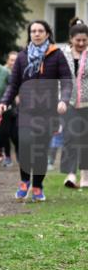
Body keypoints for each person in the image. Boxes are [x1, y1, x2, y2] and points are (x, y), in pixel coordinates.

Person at [0, 20, 72, 202]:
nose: (36, 34)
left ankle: (37, 185)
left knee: (40, 149)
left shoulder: (56, 55)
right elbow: (13, 85)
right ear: (29, 34)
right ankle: (24, 181)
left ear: (47, 33)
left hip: (48, 111)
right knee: (25, 144)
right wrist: (3, 103)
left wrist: (64, 100)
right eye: (33, 31)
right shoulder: (22, 57)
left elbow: (66, 80)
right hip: (27, 110)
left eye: (40, 31)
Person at [60, 19, 88, 188]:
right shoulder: (62, 54)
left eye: (84, 40)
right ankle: (70, 175)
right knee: (70, 137)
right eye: (78, 40)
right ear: (71, 39)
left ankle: (85, 176)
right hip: (68, 102)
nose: (81, 43)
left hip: (87, 103)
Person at [0, 50, 20, 167]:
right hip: (6, 106)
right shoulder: (2, 72)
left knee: (17, 133)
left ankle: (20, 155)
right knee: (4, 133)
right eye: (11, 60)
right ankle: (7, 156)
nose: (14, 62)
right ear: (8, 61)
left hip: (19, 106)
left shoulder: (22, 70)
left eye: (16, 60)